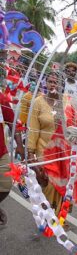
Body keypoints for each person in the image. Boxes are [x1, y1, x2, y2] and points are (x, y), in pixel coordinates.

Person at [28, 72, 77, 217]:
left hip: (64, 152)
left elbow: (76, 124)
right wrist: (30, 153)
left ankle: (61, 217)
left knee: (64, 184)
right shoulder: (38, 102)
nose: (53, 84)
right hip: (44, 152)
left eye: (56, 82)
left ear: (61, 85)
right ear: (45, 84)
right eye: (50, 81)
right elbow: (32, 129)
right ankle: (49, 217)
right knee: (49, 184)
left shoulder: (68, 101)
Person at [0, 91, 24, 225]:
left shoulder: (1, 97)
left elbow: (13, 123)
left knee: (6, 185)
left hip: (1, 152)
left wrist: (19, 145)